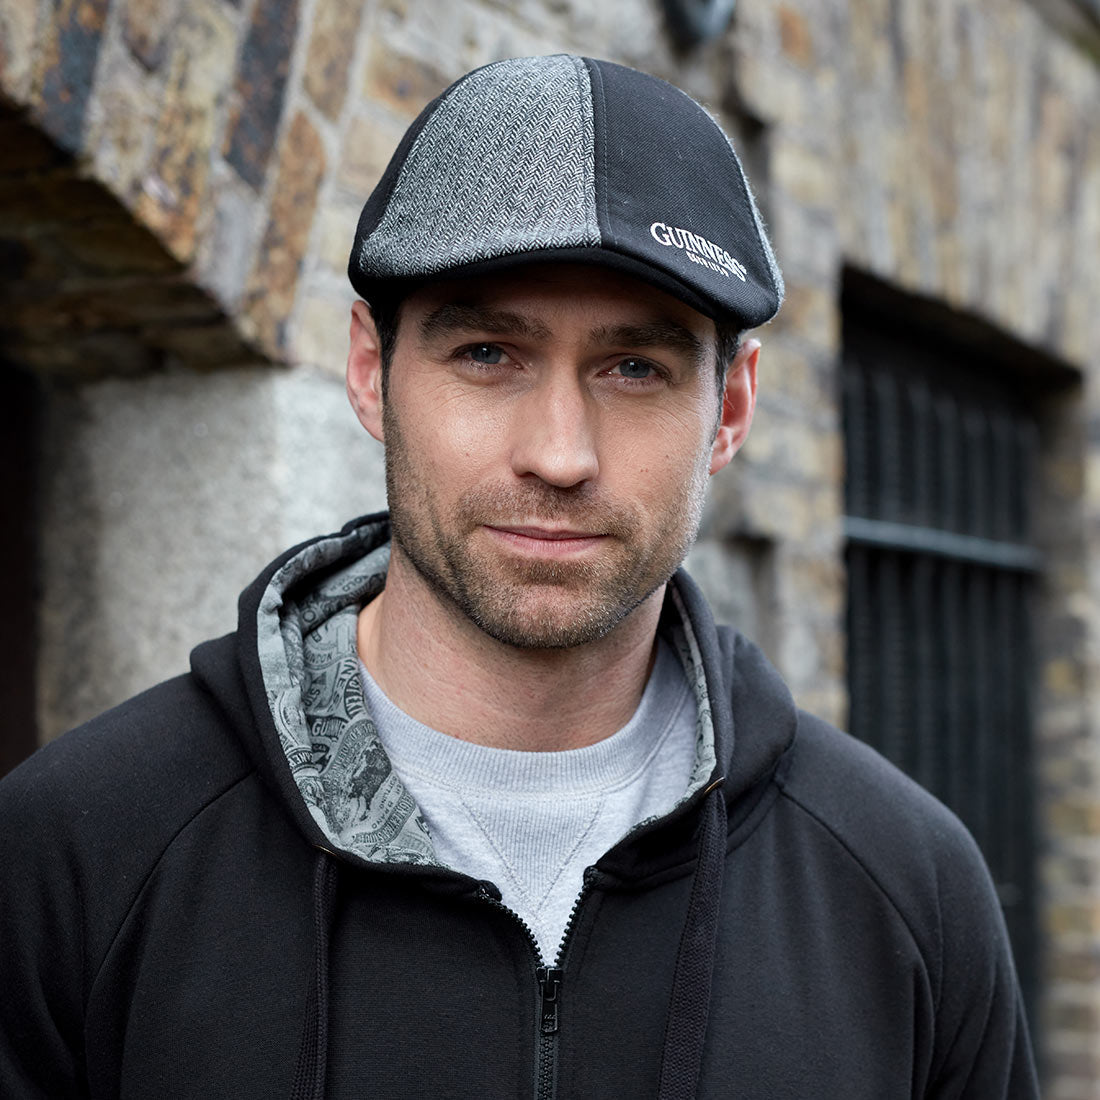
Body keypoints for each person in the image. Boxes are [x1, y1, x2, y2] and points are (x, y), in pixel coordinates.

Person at [0, 55, 1037, 1099]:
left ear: (728, 411)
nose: (558, 452)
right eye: (488, 352)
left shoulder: (902, 885)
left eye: (635, 367)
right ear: (370, 370)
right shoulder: (80, 848)